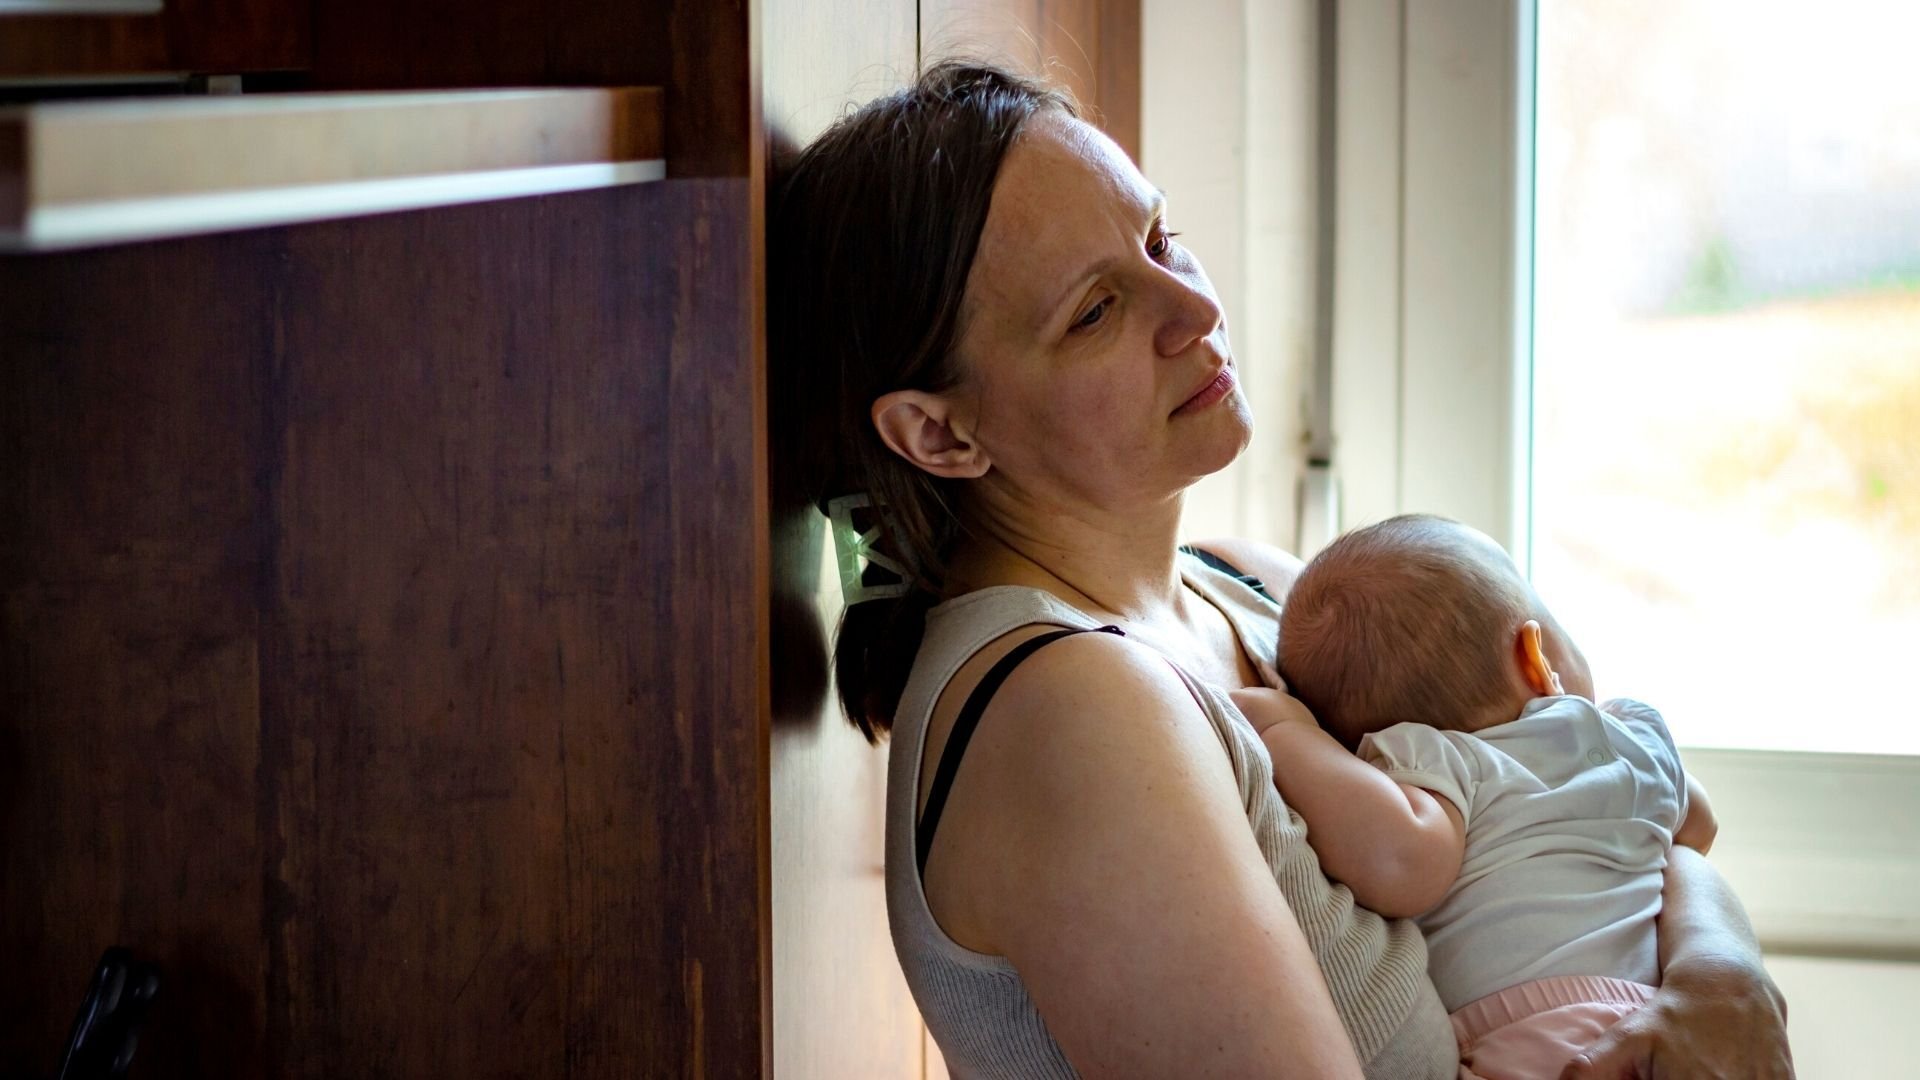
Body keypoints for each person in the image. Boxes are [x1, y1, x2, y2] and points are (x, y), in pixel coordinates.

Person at [771, 60, 1792, 1079]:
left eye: (1162, 238)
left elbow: (1599, 814)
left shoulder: (1253, 591)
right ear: (939, 434)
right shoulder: (1070, 710)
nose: (1193, 309)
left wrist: (1725, 974)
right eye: (1096, 311)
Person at [1233, 513, 1725, 1079]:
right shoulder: (1628, 737)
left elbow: (1400, 861)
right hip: (1658, 1024)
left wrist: (1285, 733)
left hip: (1535, 1039)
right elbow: (1700, 826)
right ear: (1534, 657)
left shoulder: (1438, 764)